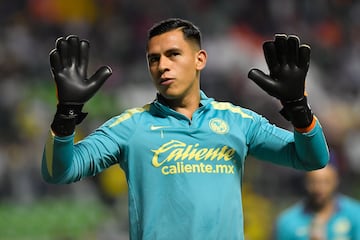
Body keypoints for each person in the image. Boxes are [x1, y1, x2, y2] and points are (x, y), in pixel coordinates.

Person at [42, 18, 329, 239]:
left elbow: (312, 158)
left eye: (173, 54)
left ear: (199, 59)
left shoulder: (237, 121)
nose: (162, 66)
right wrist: (66, 115)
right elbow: (60, 172)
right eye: (153, 59)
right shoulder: (129, 127)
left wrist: (298, 107)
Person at [275, 162, 360, 240]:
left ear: (336, 181)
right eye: (313, 182)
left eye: (325, 182)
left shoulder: (356, 214)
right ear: (305, 183)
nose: (319, 188)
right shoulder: (288, 221)